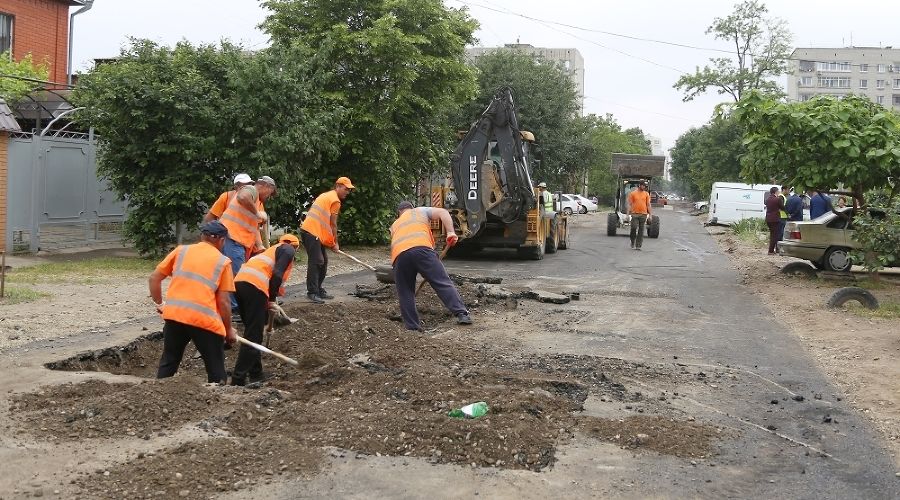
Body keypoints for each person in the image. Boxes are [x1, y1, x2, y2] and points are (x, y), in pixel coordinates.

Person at [149, 220, 237, 383]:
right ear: (222, 240)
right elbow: (224, 302)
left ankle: (157, 392)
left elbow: (154, 278)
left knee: (169, 361)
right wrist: (229, 330)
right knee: (215, 367)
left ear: (202, 236)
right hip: (204, 321)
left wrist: (160, 304)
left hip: (175, 317)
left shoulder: (181, 251)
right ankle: (218, 395)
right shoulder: (223, 262)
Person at [230, 233, 299, 386]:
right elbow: (277, 275)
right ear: (296, 247)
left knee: (252, 331)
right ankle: (238, 378)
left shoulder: (271, 252)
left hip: (240, 284)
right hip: (255, 287)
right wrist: (272, 300)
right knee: (254, 335)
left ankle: (256, 373)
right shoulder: (288, 249)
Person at [390, 201, 471, 331]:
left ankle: (412, 328)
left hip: (399, 256)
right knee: (441, 282)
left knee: (405, 292)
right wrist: (451, 232)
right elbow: (443, 212)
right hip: (422, 250)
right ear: (411, 208)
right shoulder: (419, 211)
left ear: (399, 213)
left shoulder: (395, 225)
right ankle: (462, 314)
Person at [220, 175, 277, 311]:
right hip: (232, 238)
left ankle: (237, 307)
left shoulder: (255, 201)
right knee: (237, 275)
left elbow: (253, 227)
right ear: (265, 186)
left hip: (236, 240)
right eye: (270, 193)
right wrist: (257, 213)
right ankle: (235, 309)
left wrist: (260, 245)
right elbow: (242, 197)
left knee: (237, 274)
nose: (269, 197)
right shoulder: (251, 190)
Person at [300, 176, 354, 304]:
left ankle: (318, 289)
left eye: (349, 190)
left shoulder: (327, 195)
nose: (347, 192)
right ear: (338, 186)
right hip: (311, 232)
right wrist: (335, 243)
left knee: (323, 262)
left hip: (314, 232)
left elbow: (324, 223)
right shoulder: (335, 200)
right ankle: (312, 292)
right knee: (317, 261)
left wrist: (330, 242)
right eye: (346, 189)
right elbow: (333, 224)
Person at [627, 180, 652, 250]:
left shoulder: (646, 194)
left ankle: (638, 245)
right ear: (639, 185)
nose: (644, 187)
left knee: (641, 230)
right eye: (643, 186)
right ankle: (632, 241)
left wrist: (650, 215)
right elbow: (629, 204)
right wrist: (627, 214)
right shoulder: (633, 194)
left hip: (643, 214)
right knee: (634, 227)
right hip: (634, 214)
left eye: (645, 186)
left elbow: (648, 205)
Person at [765, 186, 784, 255]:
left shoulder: (768, 199)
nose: (779, 192)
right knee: (775, 235)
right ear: (776, 192)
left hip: (768, 219)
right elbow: (782, 207)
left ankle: (773, 250)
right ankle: (771, 251)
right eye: (778, 191)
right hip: (775, 219)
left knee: (772, 234)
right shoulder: (777, 199)